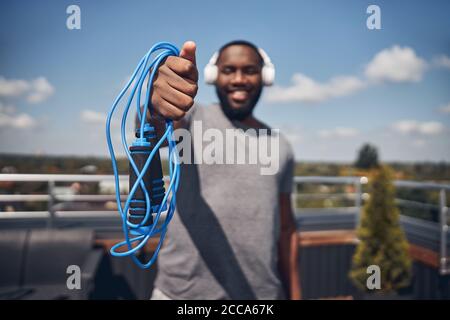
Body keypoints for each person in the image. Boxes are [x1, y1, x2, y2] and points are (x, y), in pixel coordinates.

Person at [143, 40, 300, 300]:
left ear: (265, 77)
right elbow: (154, 122)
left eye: (249, 70)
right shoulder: (190, 117)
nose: (239, 79)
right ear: (213, 77)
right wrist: (156, 103)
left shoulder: (281, 144)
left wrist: (296, 295)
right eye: (229, 70)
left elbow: (286, 229)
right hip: (181, 296)